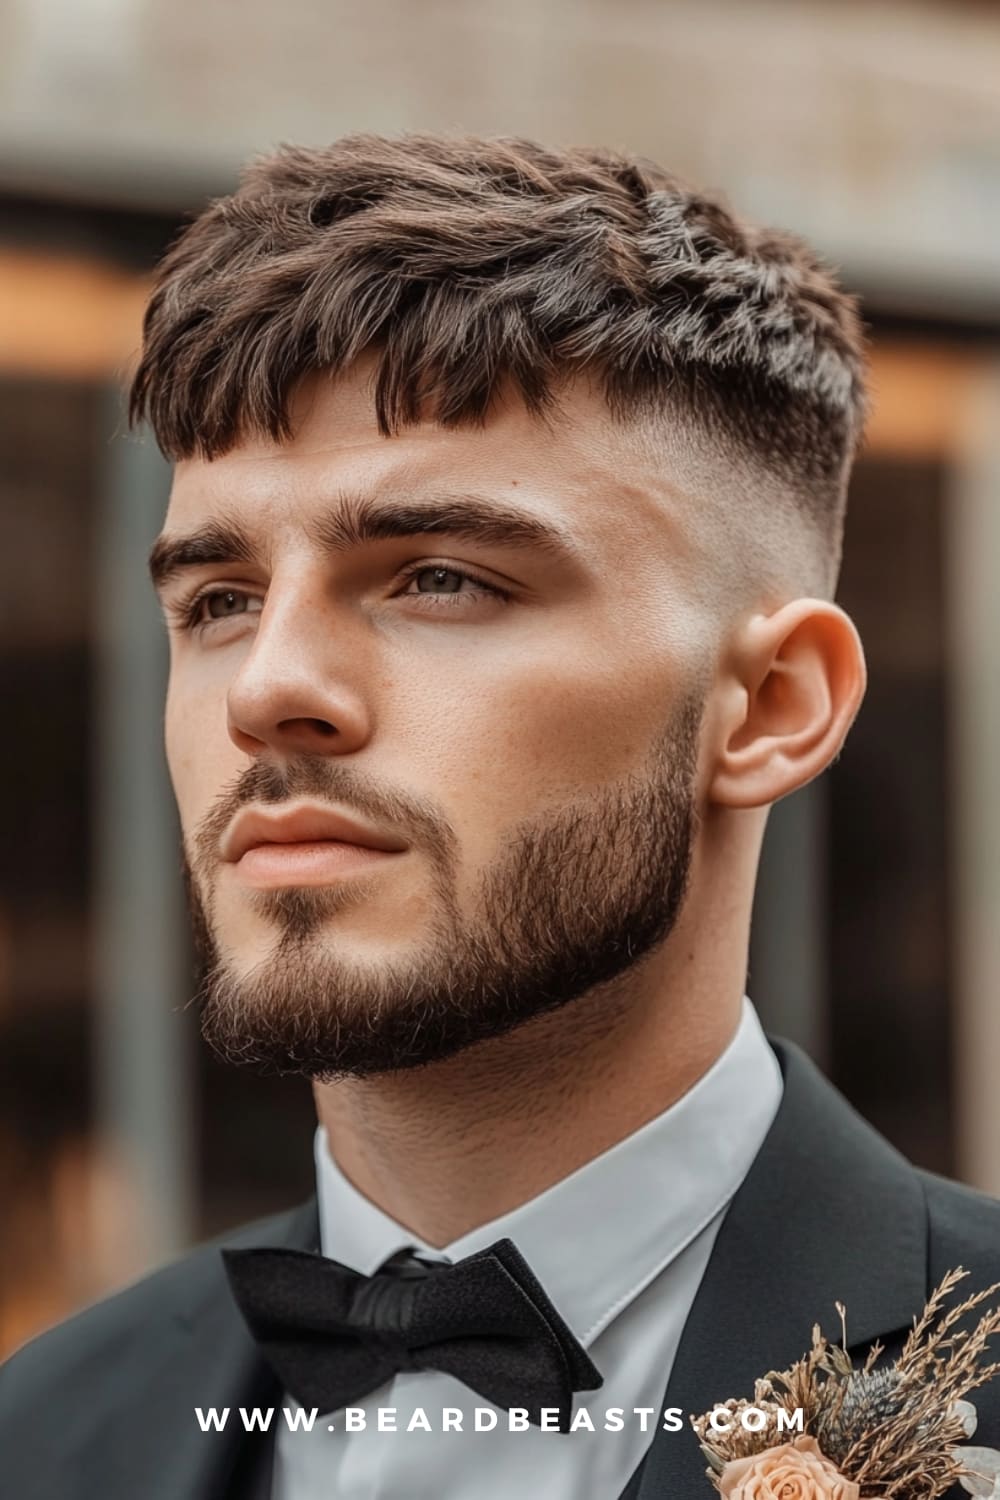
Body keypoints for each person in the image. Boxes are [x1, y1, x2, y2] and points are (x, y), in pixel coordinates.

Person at [2, 133, 998, 1500]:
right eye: (219, 601)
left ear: (771, 706)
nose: (271, 688)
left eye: (441, 578)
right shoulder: (40, 1433)